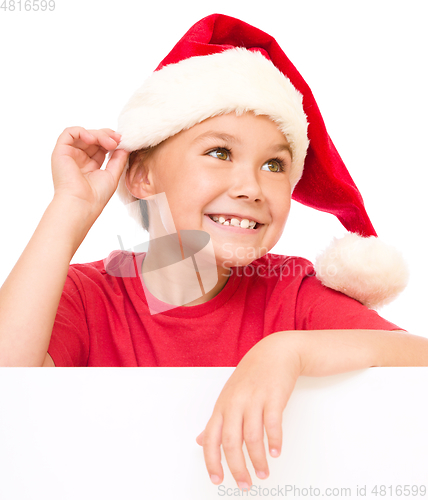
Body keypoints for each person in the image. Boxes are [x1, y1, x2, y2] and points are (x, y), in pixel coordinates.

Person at [0, 12, 427, 492]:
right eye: (220, 152)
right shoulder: (83, 296)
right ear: (142, 176)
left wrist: (290, 350)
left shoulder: (291, 292)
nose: (251, 186)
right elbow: (7, 386)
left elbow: (421, 358)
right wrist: (69, 209)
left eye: (274, 164)